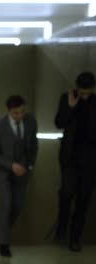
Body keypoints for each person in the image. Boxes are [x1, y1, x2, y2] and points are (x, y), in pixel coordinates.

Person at [0, 95, 38, 257]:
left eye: (22, 112)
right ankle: (4, 244)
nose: (20, 116)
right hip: (2, 171)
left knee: (17, 206)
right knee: (6, 204)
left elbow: (34, 146)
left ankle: (3, 232)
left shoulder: (31, 121)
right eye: (16, 113)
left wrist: (29, 165)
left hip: (23, 172)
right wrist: (11, 165)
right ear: (9, 111)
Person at [54, 71, 96, 252]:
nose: (84, 95)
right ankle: (62, 227)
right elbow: (59, 123)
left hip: (90, 156)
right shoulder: (67, 98)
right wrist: (70, 106)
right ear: (77, 87)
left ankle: (74, 239)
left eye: (88, 92)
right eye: (82, 91)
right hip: (70, 155)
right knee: (67, 193)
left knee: (83, 199)